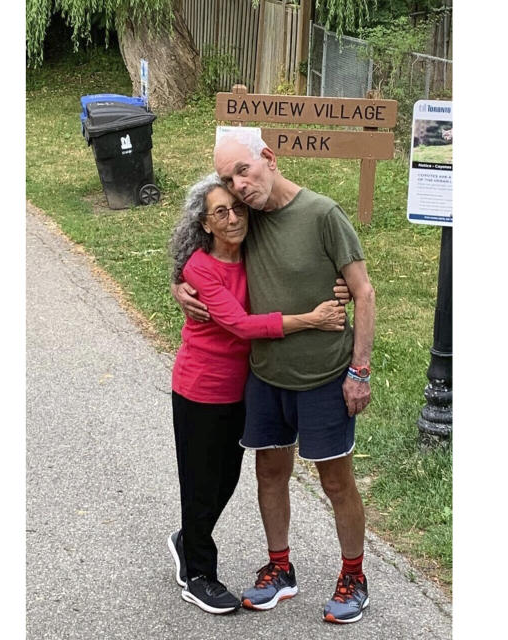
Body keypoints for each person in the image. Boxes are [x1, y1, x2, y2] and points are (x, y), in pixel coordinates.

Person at [172, 126, 376, 624]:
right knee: (269, 473)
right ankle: (279, 569)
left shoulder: (323, 213)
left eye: (243, 171)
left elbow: (364, 292)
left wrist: (360, 370)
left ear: (268, 156)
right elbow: (202, 250)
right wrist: (178, 283)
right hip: (264, 376)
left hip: (325, 375)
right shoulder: (247, 219)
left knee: (336, 481)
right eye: (228, 179)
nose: (239, 188)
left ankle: (354, 576)